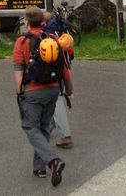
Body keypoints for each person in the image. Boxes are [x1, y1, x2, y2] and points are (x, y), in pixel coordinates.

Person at [13, 5, 72, 187]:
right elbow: (63, 66)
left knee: (30, 127)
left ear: (27, 22)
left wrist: (19, 91)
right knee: (44, 127)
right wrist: (68, 89)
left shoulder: (22, 41)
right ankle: (39, 168)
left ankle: (52, 160)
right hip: (53, 89)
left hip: (33, 91)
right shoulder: (52, 38)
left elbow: (18, 70)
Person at [41, 11, 73, 149]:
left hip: (50, 76)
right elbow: (65, 64)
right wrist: (69, 87)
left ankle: (66, 136)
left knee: (56, 102)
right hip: (60, 72)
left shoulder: (44, 36)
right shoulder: (58, 33)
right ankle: (50, 126)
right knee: (53, 101)